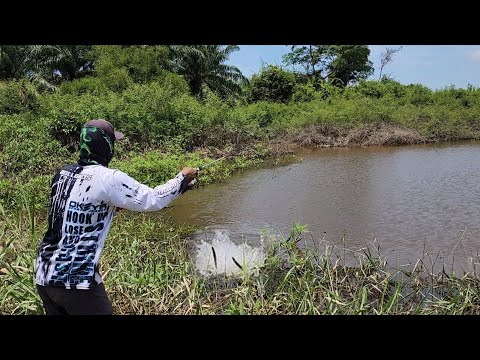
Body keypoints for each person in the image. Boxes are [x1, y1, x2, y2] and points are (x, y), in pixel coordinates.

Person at [35, 119, 198, 315]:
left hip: (44, 276)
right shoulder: (108, 178)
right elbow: (153, 199)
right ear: (106, 145)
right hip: (77, 282)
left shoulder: (62, 174)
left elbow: (76, 207)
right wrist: (182, 178)